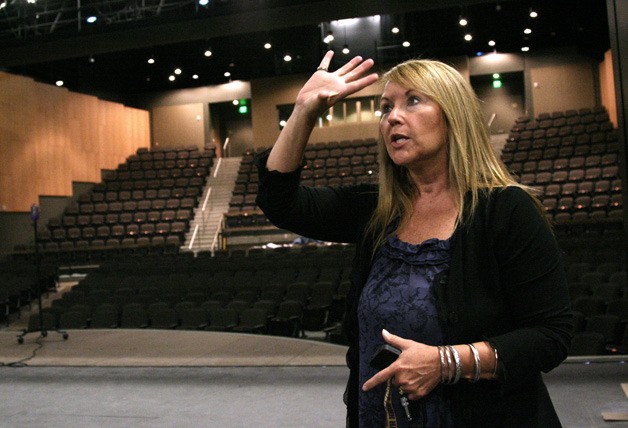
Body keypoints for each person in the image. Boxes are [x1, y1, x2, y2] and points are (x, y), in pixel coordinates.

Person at [255, 50, 573, 427]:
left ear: (453, 116)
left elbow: (550, 335)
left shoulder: (505, 209)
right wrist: (304, 109)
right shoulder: (374, 208)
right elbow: (280, 202)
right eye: (386, 107)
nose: (393, 117)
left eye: (414, 101)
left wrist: (446, 362)